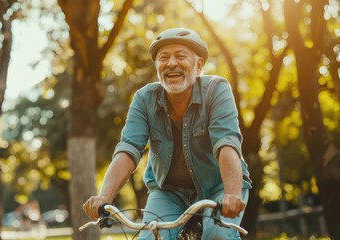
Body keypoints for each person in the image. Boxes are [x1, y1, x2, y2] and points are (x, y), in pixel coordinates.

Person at [83, 27, 252, 239]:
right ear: (157, 67)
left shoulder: (216, 90)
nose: (171, 63)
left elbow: (226, 143)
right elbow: (128, 149)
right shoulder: (144, 99)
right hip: (168, 191)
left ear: (198, 65)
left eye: (180, 56)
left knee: (218, 235)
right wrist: (104, 196)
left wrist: (232, 194)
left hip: (218, 187)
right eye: (163, 58)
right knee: (150, 237)